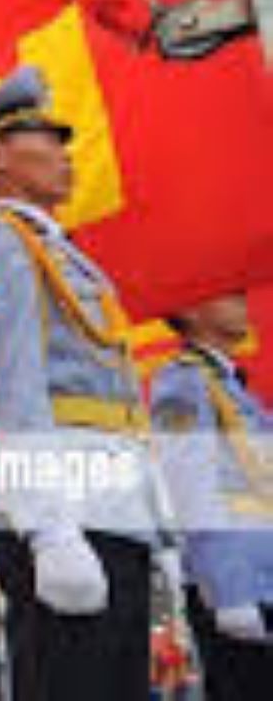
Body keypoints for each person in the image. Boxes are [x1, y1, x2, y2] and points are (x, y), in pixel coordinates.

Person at [0, 66, 172, 700]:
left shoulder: (61, 252)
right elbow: (8, 389)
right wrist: (47, 529)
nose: (66, 154)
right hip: (66, 512)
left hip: (111, 508)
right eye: (48, 137)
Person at [150, 292, 273, 700]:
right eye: (231, 296)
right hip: (236, 587)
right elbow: (191, 488)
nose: (243, 304)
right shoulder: (181, 381)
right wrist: (228, 589)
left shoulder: (236, 389)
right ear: (189, 309)